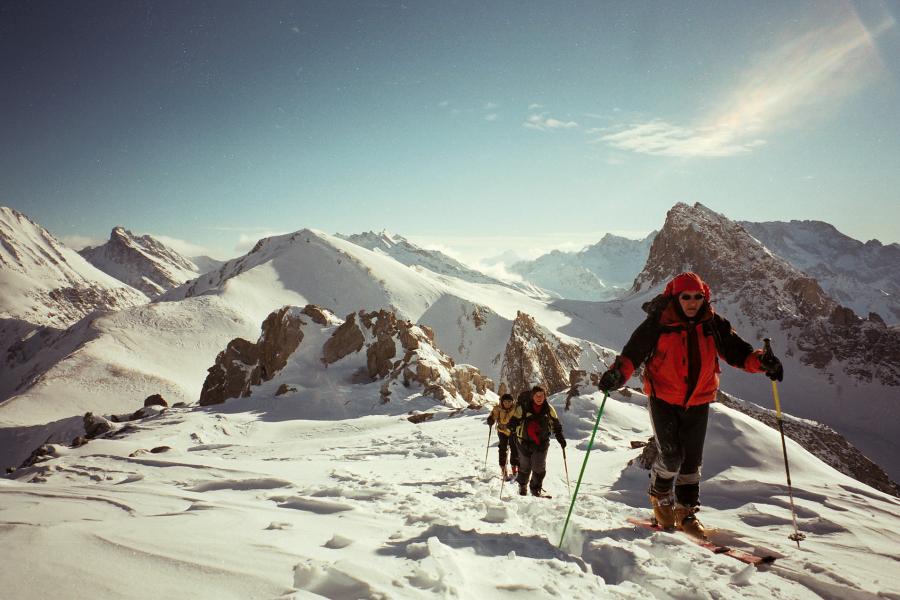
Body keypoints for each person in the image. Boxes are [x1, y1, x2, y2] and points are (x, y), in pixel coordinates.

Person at [597, 272, 783, 538]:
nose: (693, 302)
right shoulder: (658, 322)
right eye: (686, 297)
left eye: (698, 297)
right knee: (671, 455)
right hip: (663, 398)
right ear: (676, 297)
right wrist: (618, 373)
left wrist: (761, 362)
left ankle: (686, 511)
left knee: (692, 461)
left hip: (699, 399)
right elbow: (633, 353)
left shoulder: (712, 322)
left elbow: (737, 353)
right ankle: (660, 495)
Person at [508, 385, 567, 497]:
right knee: (524, 467)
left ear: (545, 396)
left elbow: (556, 425)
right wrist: (512, 425)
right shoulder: (523, 408)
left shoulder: (549, 409)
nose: (539, 398)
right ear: (532, 396)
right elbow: (514, 420)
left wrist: (561, 438)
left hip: (541, 443)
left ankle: (535, 489)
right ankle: (523, 486)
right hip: (523, 442)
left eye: (542, 395)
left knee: (539, 468)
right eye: (537, 395)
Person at [487, 393, 519, 479]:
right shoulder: (498, 408)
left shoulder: (516, 408)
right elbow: (493, 416)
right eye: (505, 402)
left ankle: (514, 466)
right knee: (502, 448)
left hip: (513, 431)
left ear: (512, 402)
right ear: (502, 402)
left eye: (509, 401)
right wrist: (491, 420)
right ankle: (503, 467)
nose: (507, 403)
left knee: (514, 448)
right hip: (502, 430)